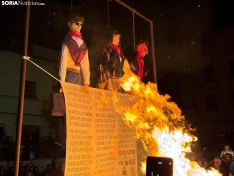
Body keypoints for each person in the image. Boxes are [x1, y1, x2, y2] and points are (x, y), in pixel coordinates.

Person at [56, 14, 90, 147]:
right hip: (68, 74)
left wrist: (86, 81)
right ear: (70, 23)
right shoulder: (67, 42)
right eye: (76, 23)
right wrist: (62, 82)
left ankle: (73, 135)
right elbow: (63, 63)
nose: (79, 27)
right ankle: (62, 137)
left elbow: (86, 64)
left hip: (77, 76)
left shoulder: (82, 43)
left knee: (76, 107)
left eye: (81, 24)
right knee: (64, 106)